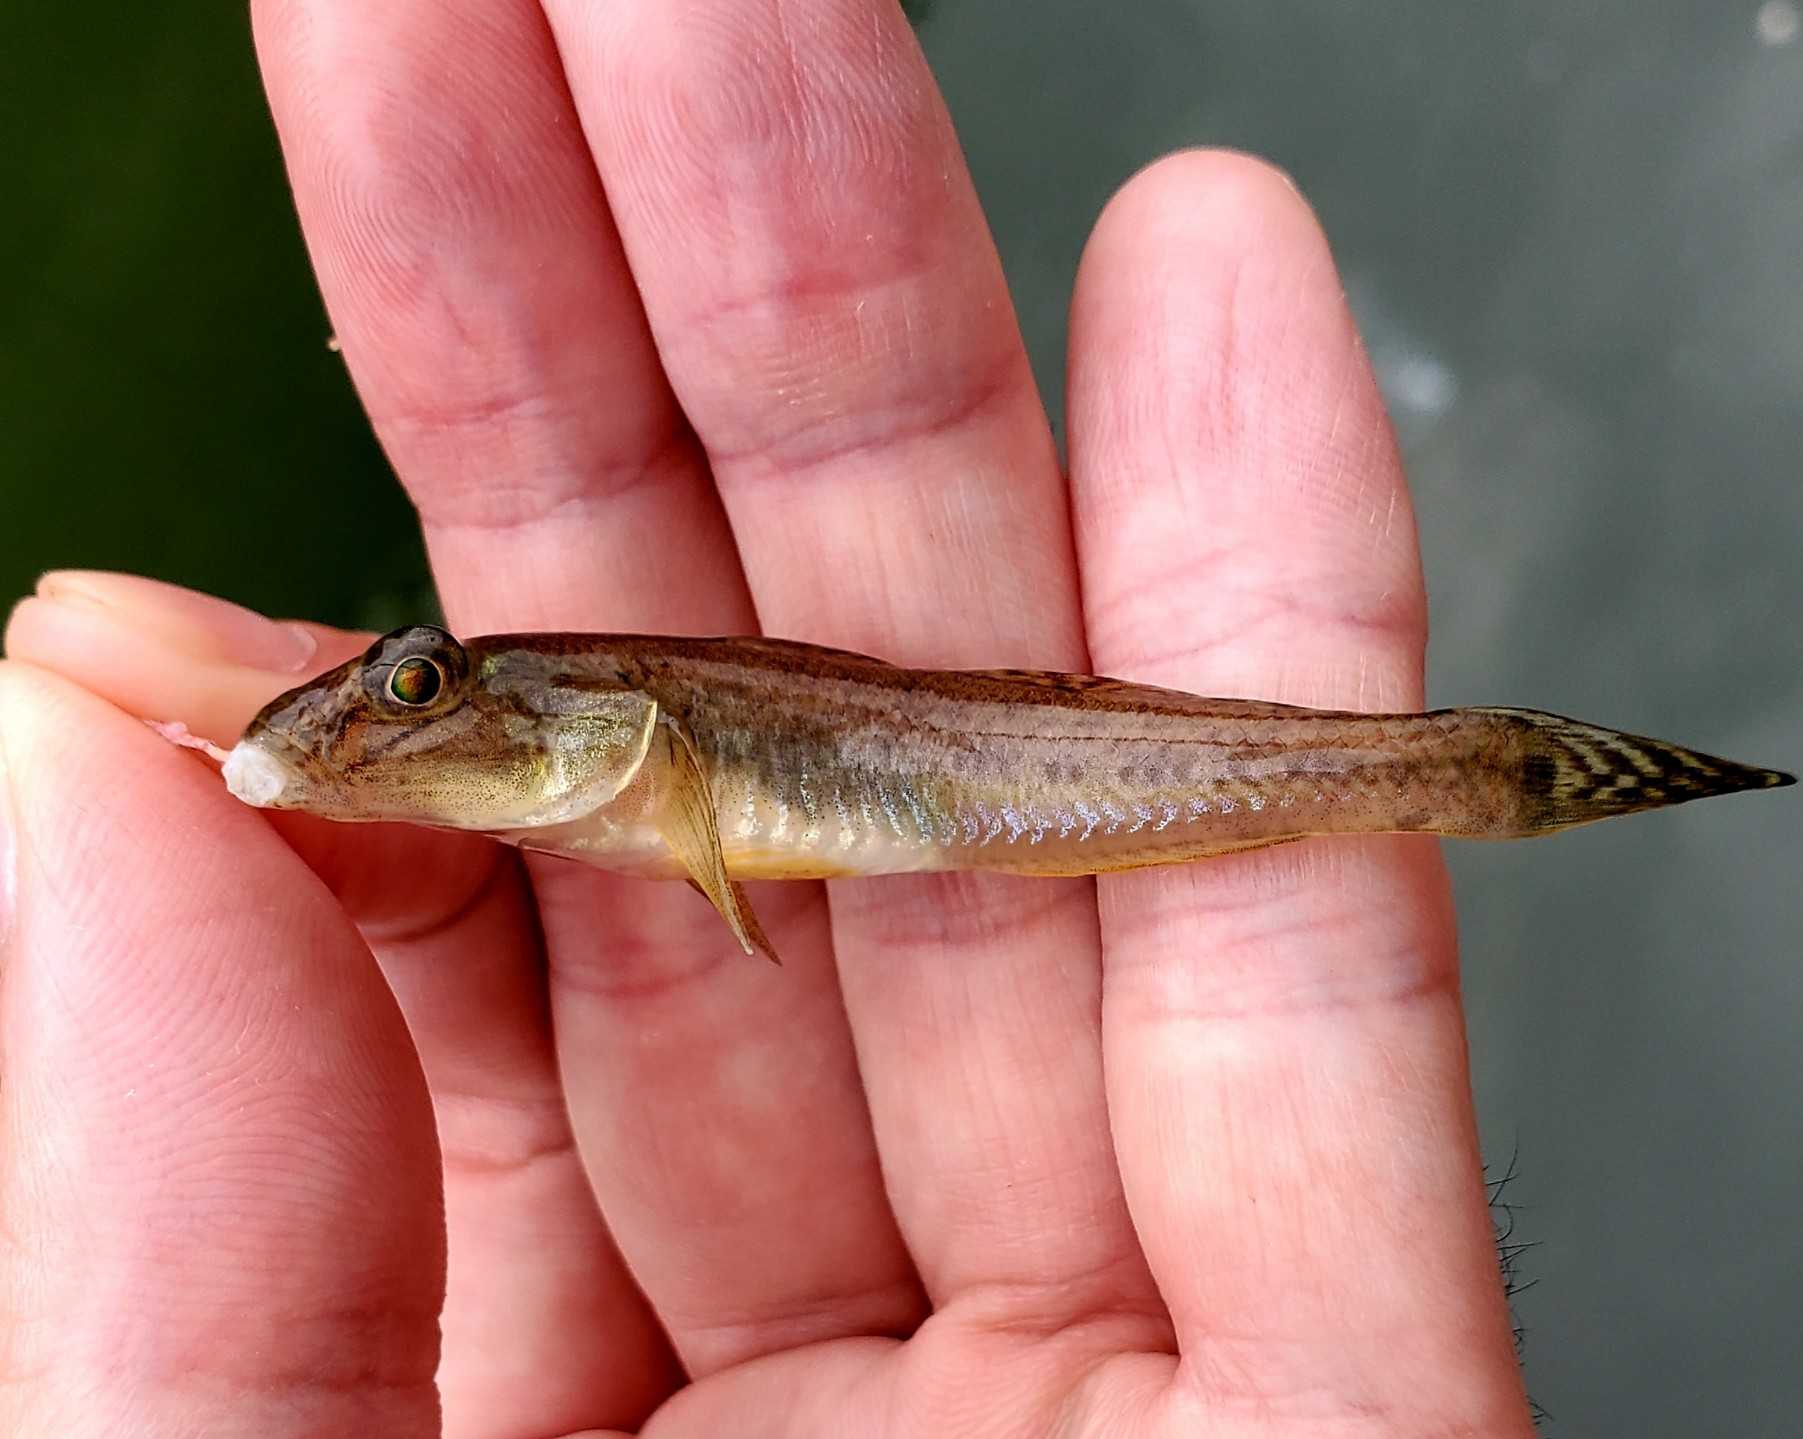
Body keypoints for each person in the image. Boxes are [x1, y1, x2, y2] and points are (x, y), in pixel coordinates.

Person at [0, 2, 1537, 1433]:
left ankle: (1463, 770)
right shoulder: (604, 776)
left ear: (610, 723)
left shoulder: (649, 752)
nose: (405, 716)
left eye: (422, 687)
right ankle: (1459, 770)